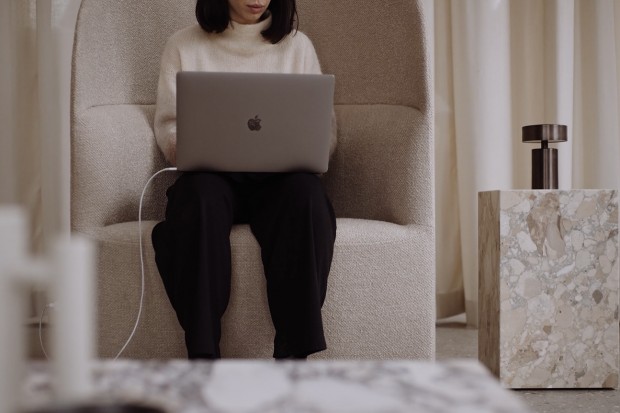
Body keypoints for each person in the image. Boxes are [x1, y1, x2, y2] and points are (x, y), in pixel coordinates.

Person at [151, 0, 337, 360]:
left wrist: (313, 149)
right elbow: (169, 125)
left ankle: (293, 359)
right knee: (198, 198)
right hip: (212, 177)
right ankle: (203, 358)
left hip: (280, 182)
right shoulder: (183, 45)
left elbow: (324, 128)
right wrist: (185, 146)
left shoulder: (298, 46)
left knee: (308, 196)